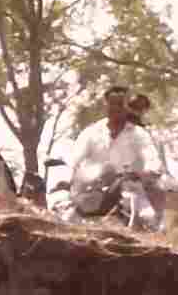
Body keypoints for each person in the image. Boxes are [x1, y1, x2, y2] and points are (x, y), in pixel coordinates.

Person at [68, 86, 168, 230]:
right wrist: (65, 179)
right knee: (65, 216)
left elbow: (151, 157)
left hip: (128, 188)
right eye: (112, 104)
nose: (115, 108)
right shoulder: (91, 132)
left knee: (147, 218)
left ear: (127, 107)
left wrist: (147, 171)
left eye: (120, 104)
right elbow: (74, 159)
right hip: (93, 188)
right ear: (106, 105)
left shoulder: (140, 134)